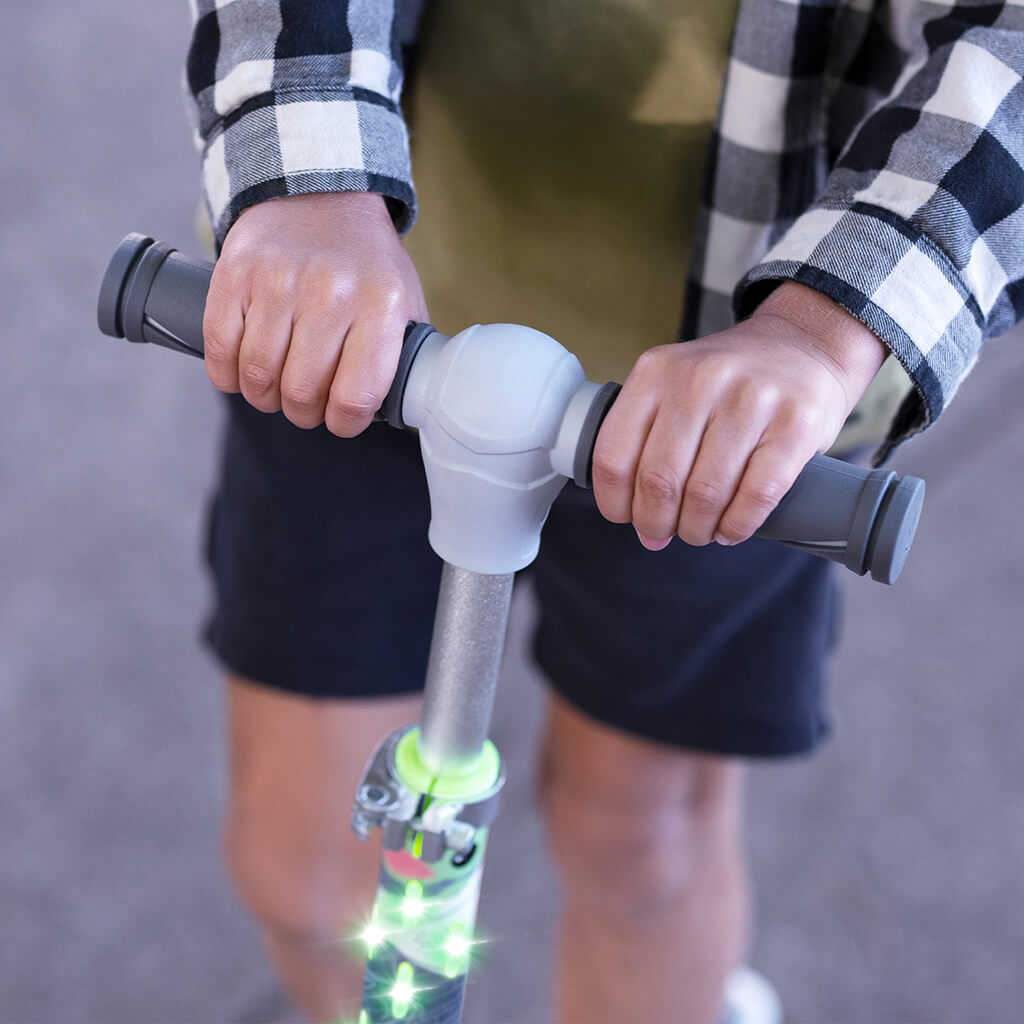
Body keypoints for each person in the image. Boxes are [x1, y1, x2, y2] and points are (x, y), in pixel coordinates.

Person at [185, 1, 1024, 1021]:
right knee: (308, 863)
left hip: (736, 401)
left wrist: (823, 327)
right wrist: (308, 172)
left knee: (637, 840)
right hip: (362, 318)